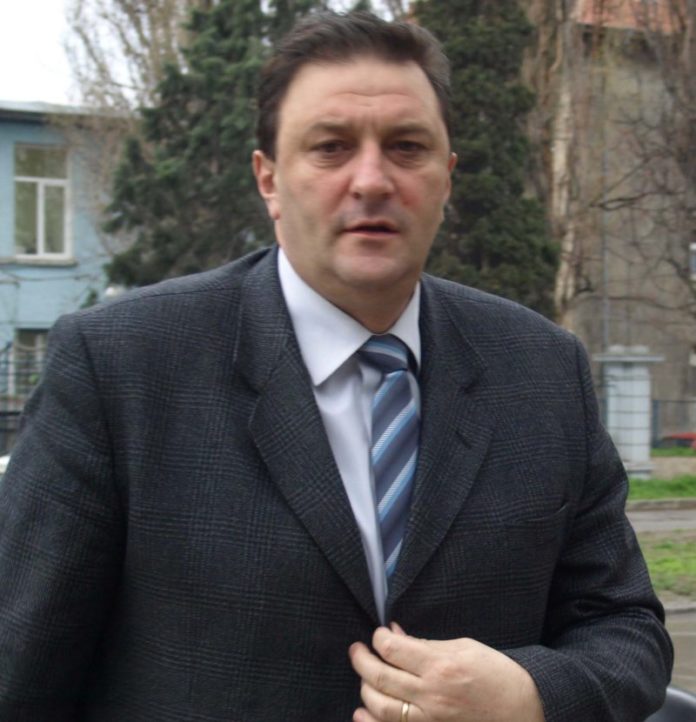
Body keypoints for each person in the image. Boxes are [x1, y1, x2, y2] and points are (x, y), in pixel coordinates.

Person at [0, 11, 672, 722]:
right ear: (268, 179)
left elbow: (626, 629)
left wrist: (530, 695)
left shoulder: (542, 368)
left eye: (407, 147)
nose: (372, 180)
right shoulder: (121, 368)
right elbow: (19, 673)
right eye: (331, 147)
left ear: (446, 178)